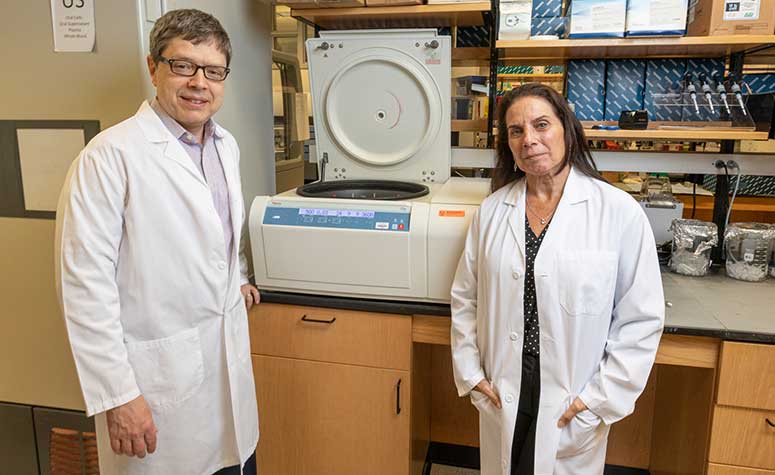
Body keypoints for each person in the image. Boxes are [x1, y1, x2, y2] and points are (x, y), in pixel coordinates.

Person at [55, 9, 261, 475]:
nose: (198, 83)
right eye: (183, 65)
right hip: (157, 392)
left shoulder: (225, 146)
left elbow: (220, 233)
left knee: (236, 462)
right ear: (154, 68)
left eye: (212, 71)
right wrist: (119, 396)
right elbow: (84, 288)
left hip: (228, 384)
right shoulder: (109, 158)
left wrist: (238, 278)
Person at [450, 83, 664, 475]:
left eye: (541, 125)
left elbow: (640, 319)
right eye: (516, 131)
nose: (529, 139)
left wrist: (598, 400)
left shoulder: (617, 212)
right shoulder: (493, 211)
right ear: (508, 145)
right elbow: (466, 298)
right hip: (504, 381)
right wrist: (472, 374)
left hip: (573, 390)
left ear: (566, 128)